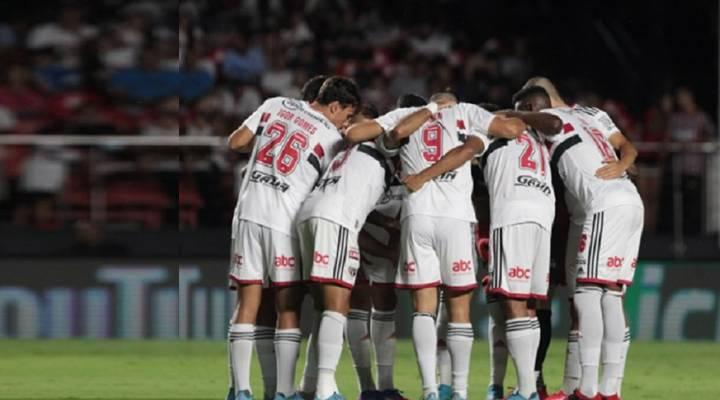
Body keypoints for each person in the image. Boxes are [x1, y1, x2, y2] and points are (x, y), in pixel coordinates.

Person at [347, 92, 525, 400]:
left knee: (423, 311)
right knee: (458, 309)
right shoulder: (467, 112)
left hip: (417, 215)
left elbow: (361, 133)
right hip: (456, 217)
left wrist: (416, 167)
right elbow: (506, 132)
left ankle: (430, 391)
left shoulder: (407, 117)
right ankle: (458, 391)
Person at [402, 93, 561, 400]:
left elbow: (472, 163)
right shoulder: (536, 138)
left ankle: (516, 390)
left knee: (507, 306)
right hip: (543, 219)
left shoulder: (491, 135)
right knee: (528, 308)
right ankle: (519, 387)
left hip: (510, 217)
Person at [226, 76, 360, 400]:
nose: (346, 123)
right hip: (285, 221)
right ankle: (285, 393)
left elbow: (236, 142)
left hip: (247, 213)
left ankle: (240, 390)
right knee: (288, 307)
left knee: (249, 303)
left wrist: (263, 151)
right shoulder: (331, 137)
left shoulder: (274, 104)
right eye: (347, 115)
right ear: (334, 106)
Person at [521, 78, 643, 400]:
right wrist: (623, 165)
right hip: (630, 201)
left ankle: (587, 391)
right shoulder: (593, 114)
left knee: (587, 295)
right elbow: (629, 146)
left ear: (536, 102)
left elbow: (546, 120)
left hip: (603, 204)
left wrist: (510, 114)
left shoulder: (550, 121)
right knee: (612, 296)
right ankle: (609, 390)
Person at [296, 102, 398, 400]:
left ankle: (309, 386)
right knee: (338, 305)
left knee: (323, 308)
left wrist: (381, 222)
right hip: (335, 218)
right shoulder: (377, 149)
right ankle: (326, 391)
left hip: (308, 214)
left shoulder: (340, 153)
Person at [344, 94, 426, 400]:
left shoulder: (401, 154)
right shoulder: (354, 153)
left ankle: (385, 387)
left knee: (383, 302)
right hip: (356, 234)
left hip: (385, 240)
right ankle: (367, 387)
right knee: (354, 304)